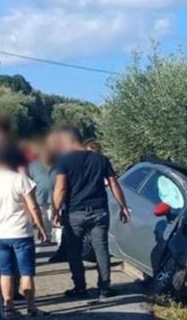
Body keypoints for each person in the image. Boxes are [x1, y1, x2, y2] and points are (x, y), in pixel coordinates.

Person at [51, 127, 130, 299]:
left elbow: (61, 187)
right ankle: (105, 286)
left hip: (75, 213)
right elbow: (114, 184)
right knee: (101, 248)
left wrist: (55, 211)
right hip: (99, 211)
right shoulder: (100, 159)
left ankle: (80, 287)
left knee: (73, 251)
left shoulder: (64, 161)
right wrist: (123, 206)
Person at [0, 146, 48, 316]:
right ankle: (31, 307)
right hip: (21, 232)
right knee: (26, 272)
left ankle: (8, 307)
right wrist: (40, 226)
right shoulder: (20, 179)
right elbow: (33, 206)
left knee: (5, 272)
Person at [28, 140, 59, 246]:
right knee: (44, 218)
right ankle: (46, 237)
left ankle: (59, 240)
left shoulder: (57, 163)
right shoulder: (33, 165)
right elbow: (29, 180)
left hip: (55, 196)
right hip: (40, 197)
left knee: (53, 218)